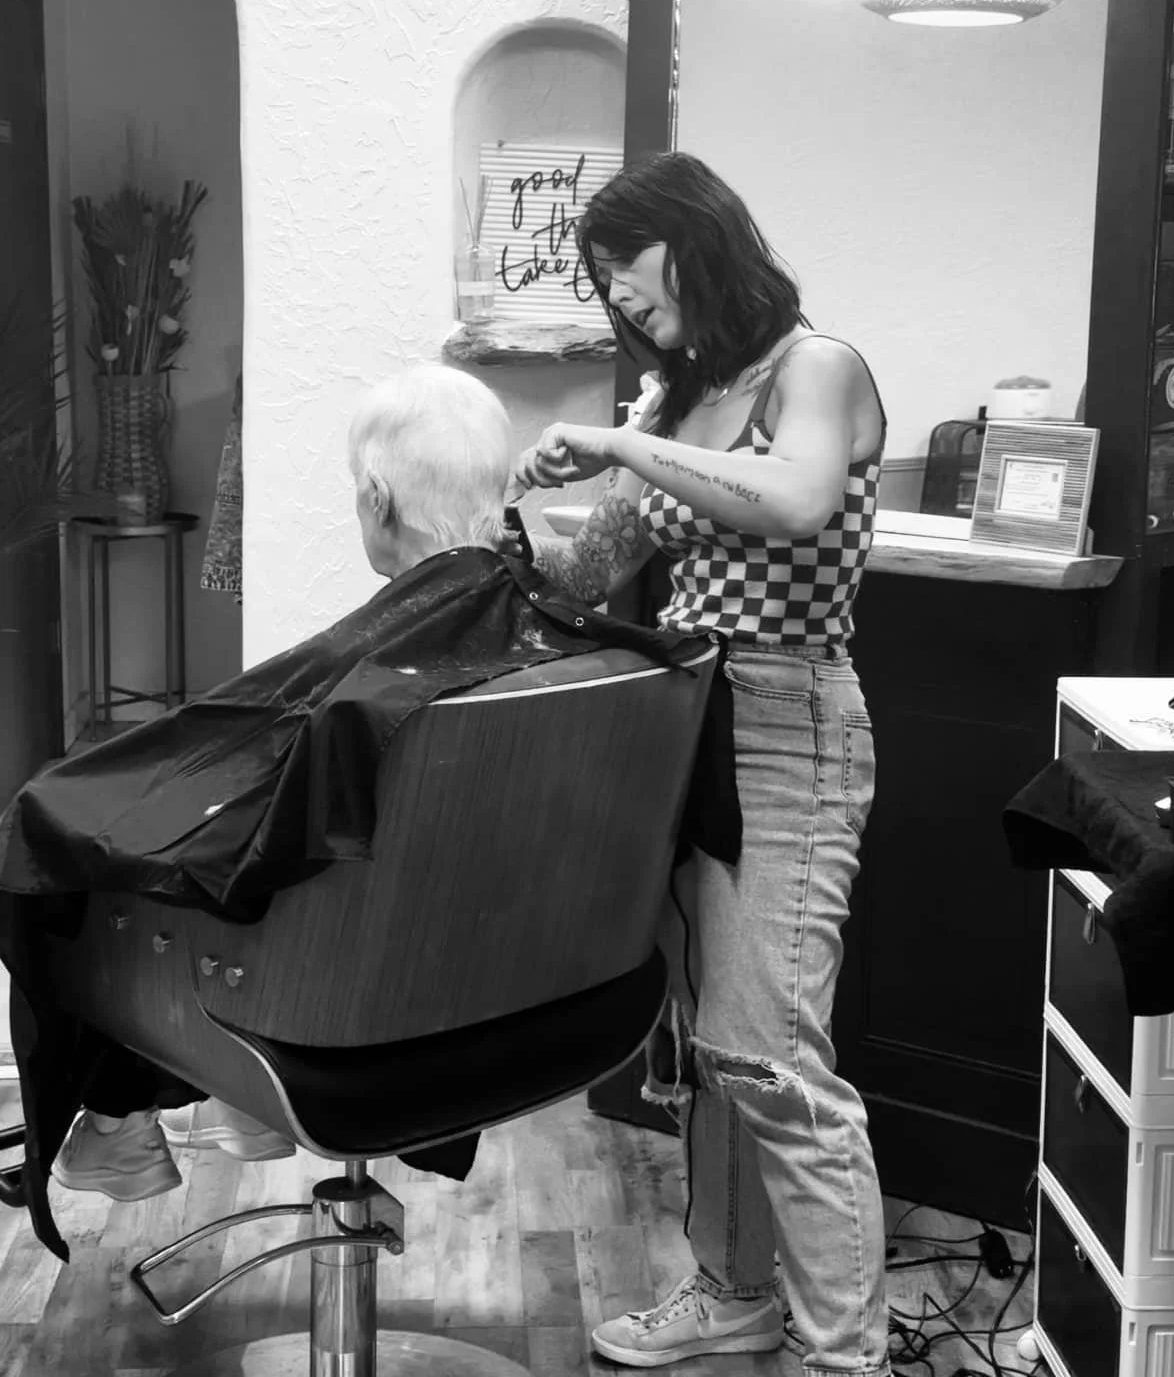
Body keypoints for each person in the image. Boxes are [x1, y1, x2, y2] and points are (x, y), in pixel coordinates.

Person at [1, 363, 696, 1259]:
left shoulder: (364, 707)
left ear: (377, 499)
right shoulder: (612, 664)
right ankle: (221, 1114)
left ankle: (126, 1117)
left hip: (338, 1021)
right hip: (544, 998)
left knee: (54, 835)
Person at [513, 152, 906, 1377]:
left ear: (695, 239)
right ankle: (738, 1292)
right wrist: (499, 523)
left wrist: (623, 436)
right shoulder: (680, 396)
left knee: (775, 1059)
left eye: (632, 274)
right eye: (610, 292)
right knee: (717, 1053)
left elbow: (793, 502)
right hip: (684, 719)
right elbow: (604, 560)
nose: (624, 304)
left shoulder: (816, 367)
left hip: (787, 717)